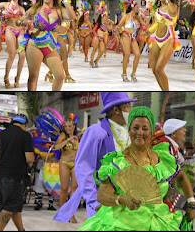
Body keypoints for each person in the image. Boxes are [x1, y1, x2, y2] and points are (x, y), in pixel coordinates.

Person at [78, 106, 195, 231]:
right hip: (123, 223)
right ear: (129, 130)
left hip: (158, 221)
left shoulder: (162, 158)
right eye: (135, 128)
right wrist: (122, 199)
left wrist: (191, 203)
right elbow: (102, 195)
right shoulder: (119, 162)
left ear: (150, 132)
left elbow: (182, 177)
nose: (140, 132)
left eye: (145, 128)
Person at [54, 92, 137, 222]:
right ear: (116, 110)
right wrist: (94, 200)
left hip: (126, 200)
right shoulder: (96, 132)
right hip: (103, 200)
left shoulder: (128, 132)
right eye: (128, 106)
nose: (131, 110)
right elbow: (84, 167)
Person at [19, 0, 76, 91]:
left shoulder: (59, 9)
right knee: (34, 77)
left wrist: (65, 1)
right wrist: (24, 22)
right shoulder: (35, 8)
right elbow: (19, 22)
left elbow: (72, 17)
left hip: (51, 47)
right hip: (35, 45)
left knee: (60, 76)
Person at [0, 114, 35, 231]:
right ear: (25, 125)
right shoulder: (25, 135)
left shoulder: (0, 135)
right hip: (16, 176)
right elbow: (30, 159)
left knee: (14, 206)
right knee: (9, 207)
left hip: (0, 175)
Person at [147, 0, 181, 91]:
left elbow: (173, 14)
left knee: (159, 68)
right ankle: (163, 90)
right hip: (157, 39)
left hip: (168, 39)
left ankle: (167, 92)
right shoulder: (158, 10)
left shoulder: (172, 6)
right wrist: (147, 31)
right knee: (154, 70)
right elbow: (155, 25)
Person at [114, 0, 145, 82]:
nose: (138, 9)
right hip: (125, 36)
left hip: (133, 37)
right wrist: (120, 31)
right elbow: (118, 26)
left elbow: (145, 25)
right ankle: (124, 74)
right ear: (133, 7)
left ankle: (133, 73)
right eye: (137, 7)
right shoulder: (126, 16)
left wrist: (146, 17)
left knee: (137, 55)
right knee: (127, 55)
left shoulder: (137, 17)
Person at [54, 115, 80, 223]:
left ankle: (71, 214)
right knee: (64, 188)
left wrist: (76, 143)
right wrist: (68, 140)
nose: (67, 128)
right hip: (64, 163)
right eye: (66, 126)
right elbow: (56, 147)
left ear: (74, 126)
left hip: (75, 164)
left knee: (74, 188)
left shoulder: (78, 136)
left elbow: (83, 150)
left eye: (69, 126)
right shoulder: (63, 135)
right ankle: (63, 212)